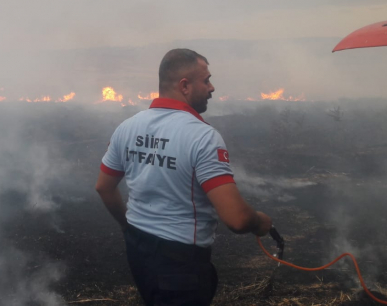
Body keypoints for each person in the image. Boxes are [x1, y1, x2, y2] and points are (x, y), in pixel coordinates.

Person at [95, 49, 272, 306]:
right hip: (180, 265)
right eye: (206, 80)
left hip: (138, 251)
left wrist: (127, 226)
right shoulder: (202, 137)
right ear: (185, 85)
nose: (212, 87)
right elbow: (237, 219)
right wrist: (260, 222)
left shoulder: (128, 127)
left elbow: (103, 187)